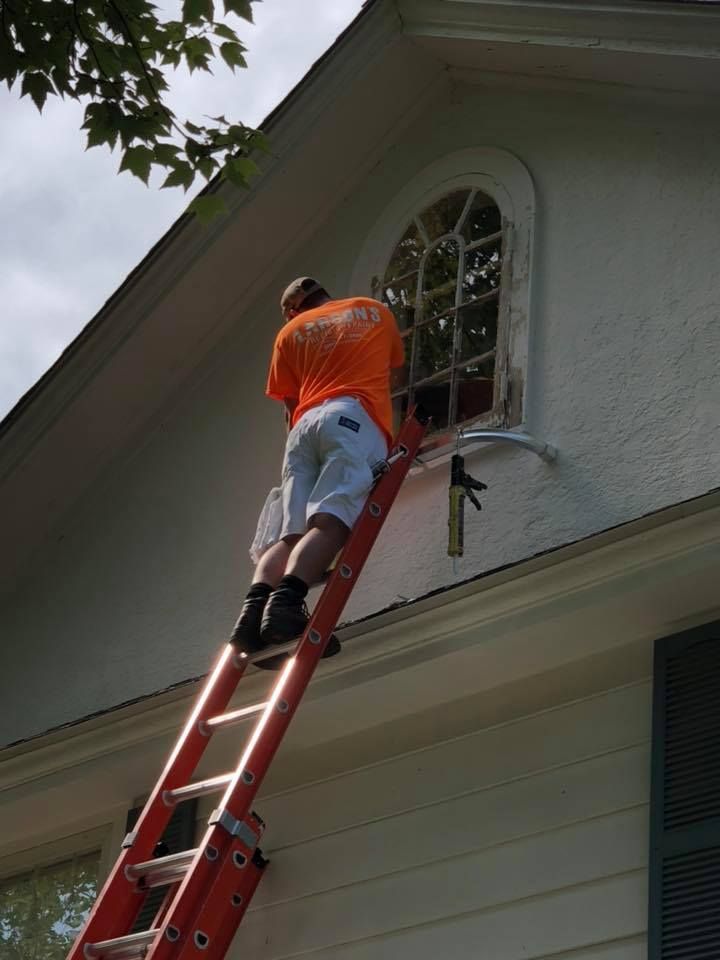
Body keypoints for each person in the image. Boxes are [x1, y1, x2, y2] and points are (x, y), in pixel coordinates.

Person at [230, 277, 405, 668]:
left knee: (291, 534)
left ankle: (251, 618)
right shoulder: (373, 311)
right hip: (351, 416)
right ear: (325, 294)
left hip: (304, 428)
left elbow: (290, 407)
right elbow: (394, 372)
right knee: (330, 522)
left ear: (293, 310)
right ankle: (286, 606)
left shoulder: (287, 333)